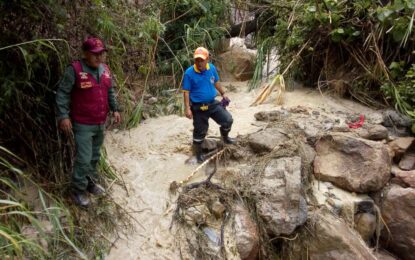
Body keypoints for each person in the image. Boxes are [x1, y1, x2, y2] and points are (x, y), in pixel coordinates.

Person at [56, 37, 121, 207]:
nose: (99, 57)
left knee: (94, 156)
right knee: (84, 158)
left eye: (102, 54)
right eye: (95, 54)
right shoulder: (75, 70)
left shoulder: (105, 69)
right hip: (83, 124)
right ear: (85, 54)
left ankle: (90, 183)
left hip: (100, 122)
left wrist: (115, 109)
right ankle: (78, 191)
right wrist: (63, 116)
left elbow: (110, 92)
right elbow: (62, 93)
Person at [182, 47, 235, 163]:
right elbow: (186, 92)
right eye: (197, 60)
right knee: (200, 132)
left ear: (207, 59)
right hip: (198, 107)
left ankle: (225, 138)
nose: (199, 63)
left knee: (228, 120)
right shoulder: (189, 73)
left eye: (202, 60)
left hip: (212, 103)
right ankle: (197, 154)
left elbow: (216, 81)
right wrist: (187, 109)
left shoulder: (211, 68)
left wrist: (223, 93)